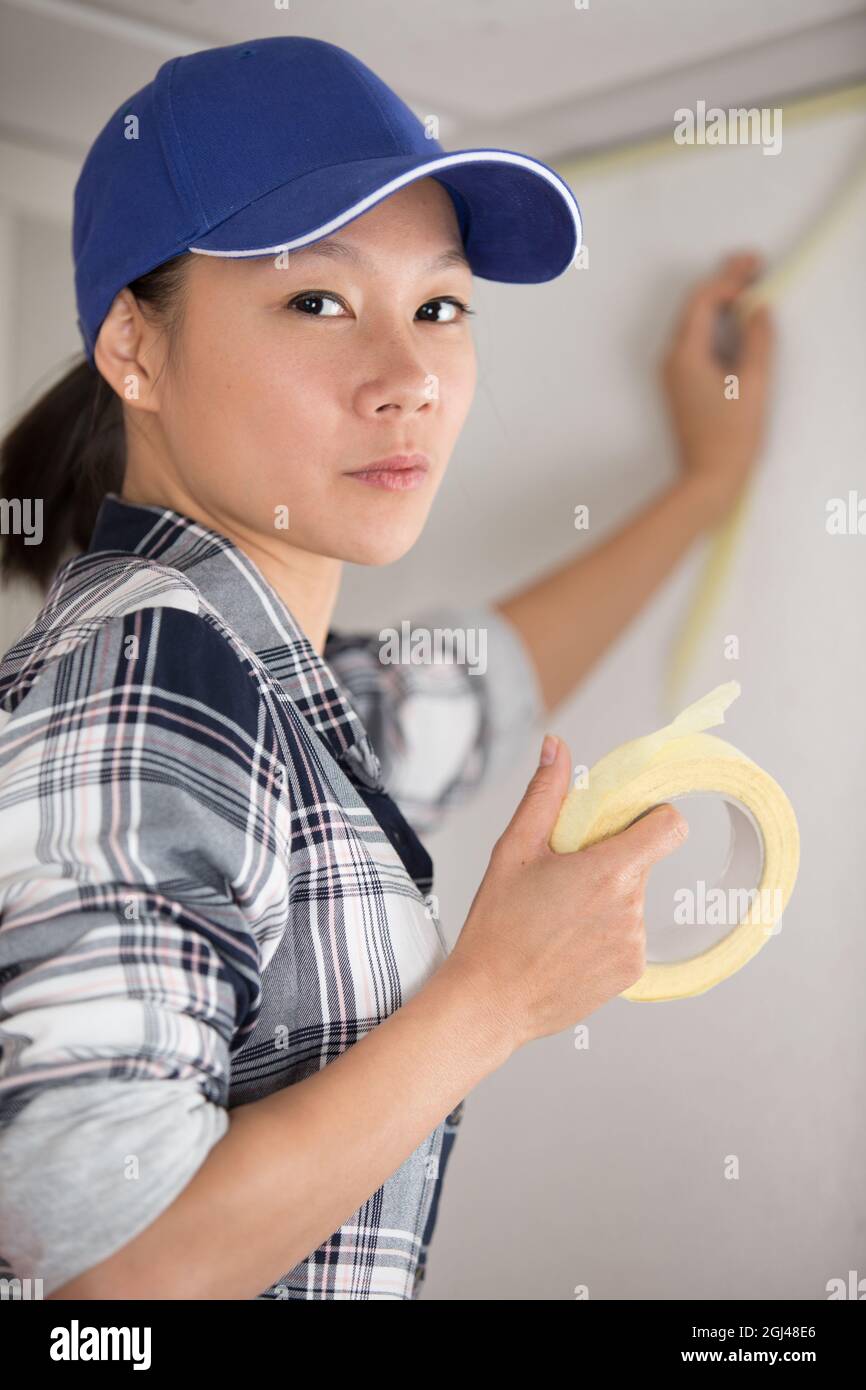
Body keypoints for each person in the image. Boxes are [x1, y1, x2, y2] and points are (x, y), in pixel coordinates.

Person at [0, 36, 773, 1301]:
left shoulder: (268, 694)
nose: (409, 377)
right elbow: (110, 1288)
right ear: (135, 351)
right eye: (316, 300)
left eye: (440, 306)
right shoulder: (155, 679)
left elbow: (483, 687)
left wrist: (707, 484)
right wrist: (494, 999)